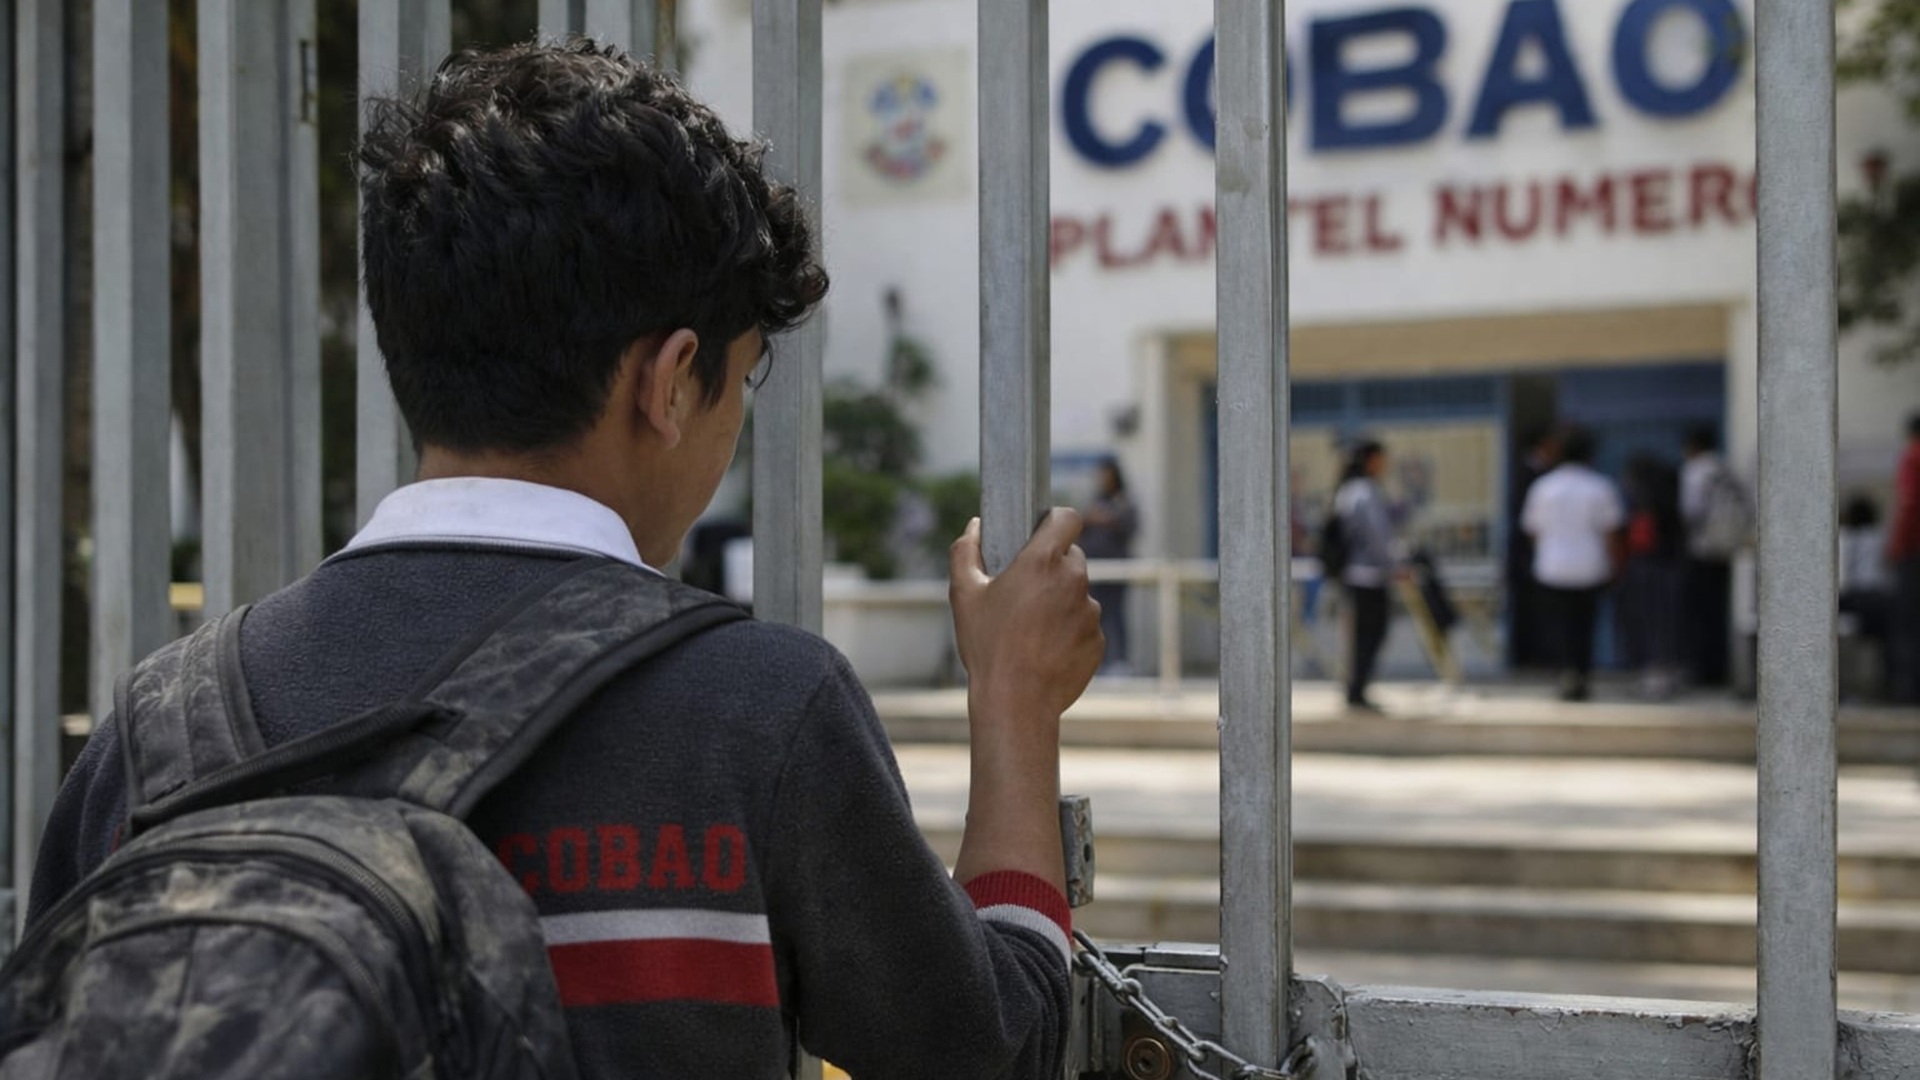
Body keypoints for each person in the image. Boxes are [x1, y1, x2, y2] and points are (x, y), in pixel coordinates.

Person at [28, 42, 1101, 1080]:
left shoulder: (159, 734)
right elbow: (988, 1048)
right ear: (671, 381)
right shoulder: (758, 713)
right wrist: (1014, 708)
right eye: (739, 381)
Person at [1521, 427, 1625, 702]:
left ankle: (1565, 674)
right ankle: (1581, 676)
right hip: (1590, 568)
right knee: (1584, 626)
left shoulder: (1544, 487)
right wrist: (1614, 565)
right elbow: (1611, 532)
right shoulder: (1600, 486)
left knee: (1559, 626)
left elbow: (1532, 531)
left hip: (1552, 568)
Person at [1334, 440, 1397, 713]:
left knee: (1363, 636)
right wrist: (1392, 563)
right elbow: (1375, 536)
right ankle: (1356, 690)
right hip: (1367, 575)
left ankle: (1356, 689)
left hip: (1358, 574)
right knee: (1369, 635)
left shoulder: (1348, 491)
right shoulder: (1363, 492)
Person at [1619, 454, 1685, 699]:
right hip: (1669, 567)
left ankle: (1656, 676)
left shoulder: (1645, 505)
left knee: (1652, 622)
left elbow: (1639, 541)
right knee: (1666, 623)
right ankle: (1667, 672)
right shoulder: (1671, 501)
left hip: (1648, 568)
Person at [1679, 425, 1738, 688]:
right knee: (1719, 612)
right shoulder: (1724, 468)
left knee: (1700, 614)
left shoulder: (1695, 470)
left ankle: (1703, 671)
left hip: (1702, 548)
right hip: (1726, 549)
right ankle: (1720, 668)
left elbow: (1691, 510)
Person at [1505, 427, 1560, 671]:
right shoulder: (1527, 473)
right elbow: (1526, 522)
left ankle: (1540, 655)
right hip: (1525, 556)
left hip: (1537, 556)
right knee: (1527, 609)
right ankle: (1526, 657)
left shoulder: (1546, 474)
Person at [1082, 456, 1139, 674]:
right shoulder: (1097, 501)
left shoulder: (1123, 501)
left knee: (1117, 616)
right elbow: (1083, 525)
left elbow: (1130, 526)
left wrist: (1107, 519)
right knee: (1098, 617)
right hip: (1096, 570)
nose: (1102, 479)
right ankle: (1101, 663)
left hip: (1118, 570)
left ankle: (1120, 662)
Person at [1839, 495, 1894, 695]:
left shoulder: (1846, 537)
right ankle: (1890, 686)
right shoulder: (1882, 536)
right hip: (1880, 600)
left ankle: (1844, 686)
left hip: (1855, 598)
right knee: (1891, 641)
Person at [1889, 414, 1920, 703]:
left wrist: (1897, 546)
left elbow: (1909, 504)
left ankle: (1908, 691)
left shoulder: (1912, 456)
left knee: (1907, 621)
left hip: (1913, 551)